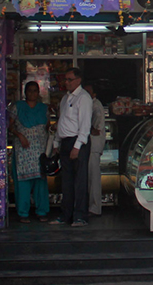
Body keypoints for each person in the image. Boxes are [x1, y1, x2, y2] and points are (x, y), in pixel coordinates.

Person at [50, 68, 93, 227]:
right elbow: (62, 121)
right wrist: (56, 142)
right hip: (65, 141)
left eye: (69, 79)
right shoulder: (65, 98)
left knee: (80, 181)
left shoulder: (83, 98)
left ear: (78, 80)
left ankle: (80, 215)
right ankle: (66, 214)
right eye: (65, 80)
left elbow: (85, 125)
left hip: (78, 142)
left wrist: (77, 146)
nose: (66, 82)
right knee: (66, 181)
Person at [8, 81, 51, 223]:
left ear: (38, 93)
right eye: (30, 91)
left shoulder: (43, 108)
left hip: (40, 149)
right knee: (23, 182)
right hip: (23, 148)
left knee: (40, 181)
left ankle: (42, 211)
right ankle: (23, 213)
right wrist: (19, 135)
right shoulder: (17, 107)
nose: (32, 93)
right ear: (25, 92)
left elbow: (47, 127)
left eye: (35, 91)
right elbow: (9, 126)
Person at [85, 84, 106, 216]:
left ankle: (95, 207)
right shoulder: (89, 105)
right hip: (90, 145)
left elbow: (96, 129)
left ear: (94, 95)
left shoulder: (96, 106)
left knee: (93, 178)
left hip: (93, 145)